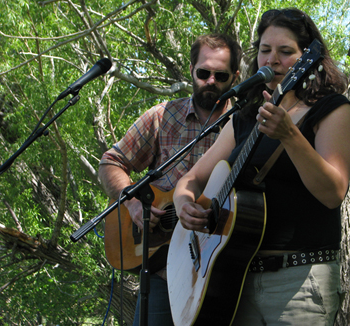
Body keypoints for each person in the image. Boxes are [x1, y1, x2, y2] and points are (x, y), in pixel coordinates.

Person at [173, 7, 350, 326]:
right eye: (265, 50)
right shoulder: (244, 118)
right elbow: (191, 179)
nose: (272, 60)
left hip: (300, 281)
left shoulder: (332, 110)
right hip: (236, 280)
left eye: (286, 52)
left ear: (308, 58)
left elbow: (333, 192)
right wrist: (183, 205)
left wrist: (289, 135)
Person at [98, 33, 242, 326]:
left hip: (220, 271)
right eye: (203, 73)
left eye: (221, 75)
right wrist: (134, 203)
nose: (211, 81)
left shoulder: (243, 123)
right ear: (192, 71)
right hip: (162, 274)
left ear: (235, 77)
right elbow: (110, 162)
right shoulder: (162, 116)